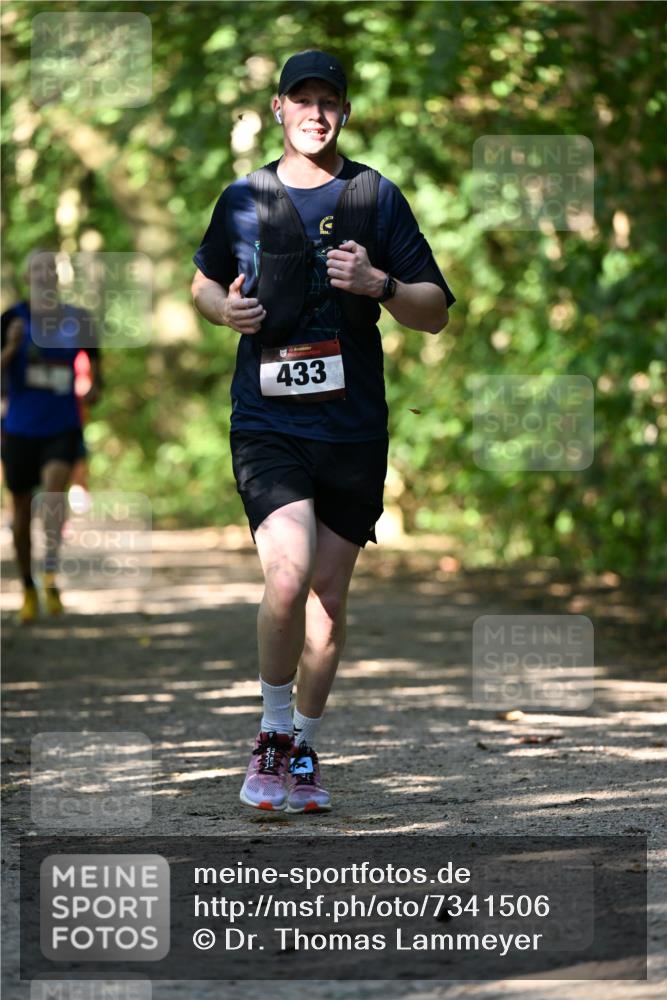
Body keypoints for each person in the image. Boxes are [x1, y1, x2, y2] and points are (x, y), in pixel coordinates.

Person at [191, 50, 455, 813]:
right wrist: (222, 311)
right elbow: (203, 279)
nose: (314, 112)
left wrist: (382, 285)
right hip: (268, 421)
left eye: (327, 101)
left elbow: (433, 311)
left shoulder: (374, 197)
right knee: (286, 575)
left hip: (352, 427)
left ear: (343, 110)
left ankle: (303, 744)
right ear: (277, 109)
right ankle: (270, 736)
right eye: (299, 99)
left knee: (329, 599)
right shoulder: (244, 197)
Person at [1, 250, 103, 623]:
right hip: (18, 430)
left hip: (62, 426)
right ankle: (28, 588)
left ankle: (50, 574)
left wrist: (93, 390)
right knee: (23, 512)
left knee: (54, 494)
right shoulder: (11, 319)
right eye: (37, 272)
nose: (45, 278)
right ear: (28, 279)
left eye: (50, 271)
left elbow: (96, 370)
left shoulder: (78, 319)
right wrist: (11, 348)